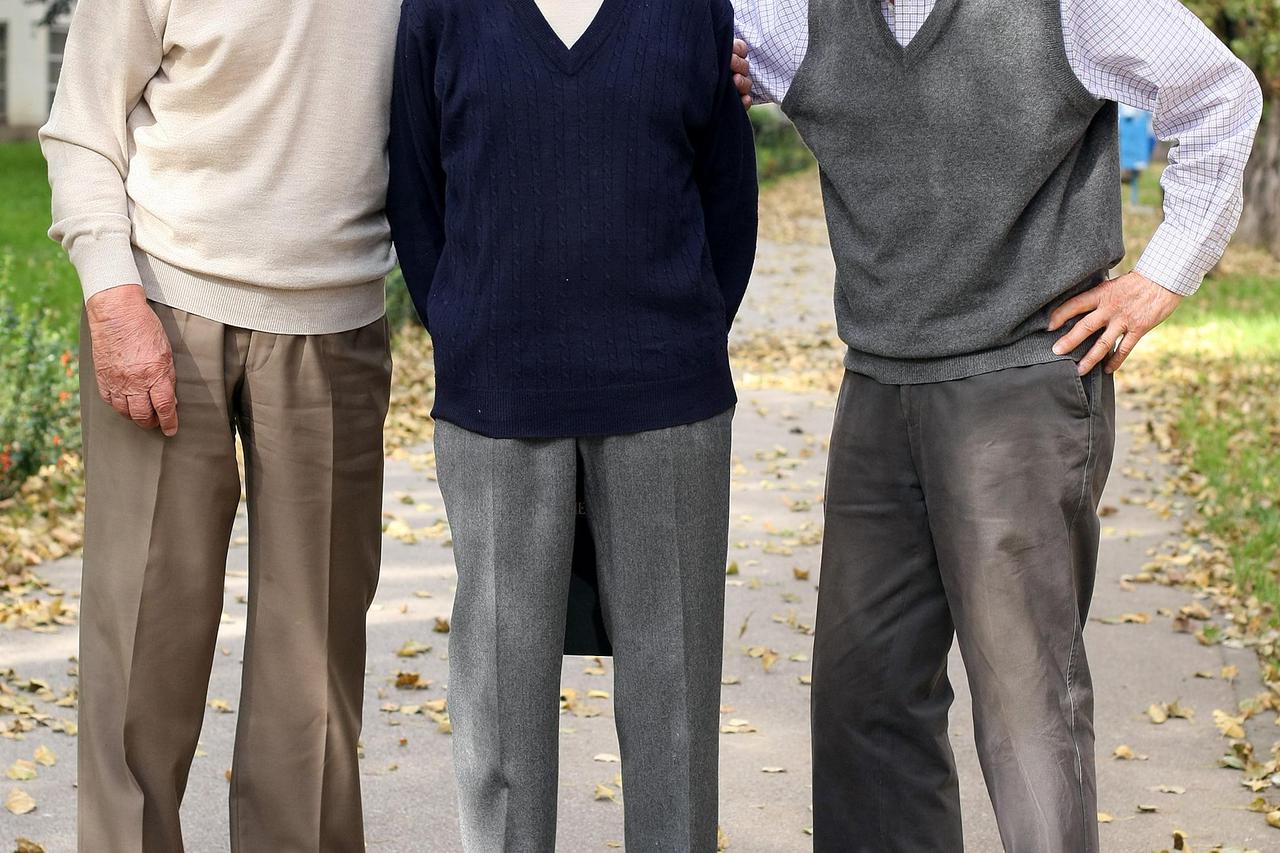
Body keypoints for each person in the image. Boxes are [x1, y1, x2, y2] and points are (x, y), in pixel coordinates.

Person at [41, 0, 747, 848]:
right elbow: (82, 122)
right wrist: (110, 292)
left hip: (334, 320)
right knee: (138, 672)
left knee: (312, 691)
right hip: (161, 300)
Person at [732, 0, 1263, 851]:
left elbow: (1220, 94)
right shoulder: (793, 14)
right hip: (877, 380)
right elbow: (681, 49)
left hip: (1021, 379)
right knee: (862, 699)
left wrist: (1161, 277)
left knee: (1026, 709)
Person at [386, 0, 758, 850]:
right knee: (500, 697)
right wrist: (472, 329)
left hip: (667, 397)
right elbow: (416, 189)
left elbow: (726, 195)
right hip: (496, 400)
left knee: (675, 707)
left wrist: (683, 330)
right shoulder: (439, 12)